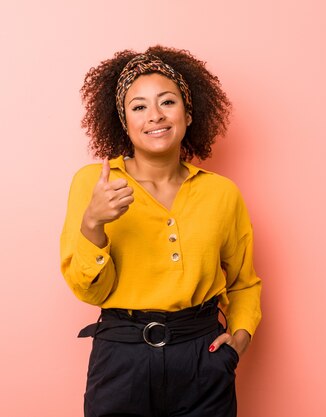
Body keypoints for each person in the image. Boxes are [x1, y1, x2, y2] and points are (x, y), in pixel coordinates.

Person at [60, 45, 262, 417]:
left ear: (188, 113)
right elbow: (90, 292)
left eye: (167, 102)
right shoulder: (94, 184)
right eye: (138, 107)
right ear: (123, 121)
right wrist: (93, 223)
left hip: (204, 356)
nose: (154, 115)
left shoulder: (222, 193)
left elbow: (243, 282)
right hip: (122, 358)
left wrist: (239, 339)